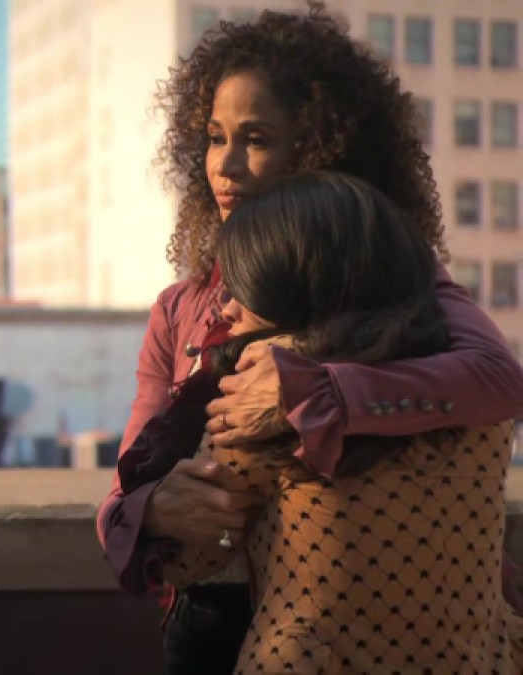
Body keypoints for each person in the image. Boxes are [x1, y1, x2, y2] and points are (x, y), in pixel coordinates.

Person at [95, 4, 523, 673]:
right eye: (213, 136)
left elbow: (498, 380)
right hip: (209, 617)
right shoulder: (179, 308)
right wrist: (151, 508)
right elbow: (126, 484)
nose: (225, 165)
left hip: (371, 622)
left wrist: (319, 391)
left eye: (257, 137)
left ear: (321, 147)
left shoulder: (399, 279)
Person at [147, 170, 523, 672]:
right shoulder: (468, 395)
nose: (227, 308)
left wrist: (175, 514)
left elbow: (190, 561)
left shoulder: (261, 400)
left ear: (296, 283)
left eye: (244, 284)